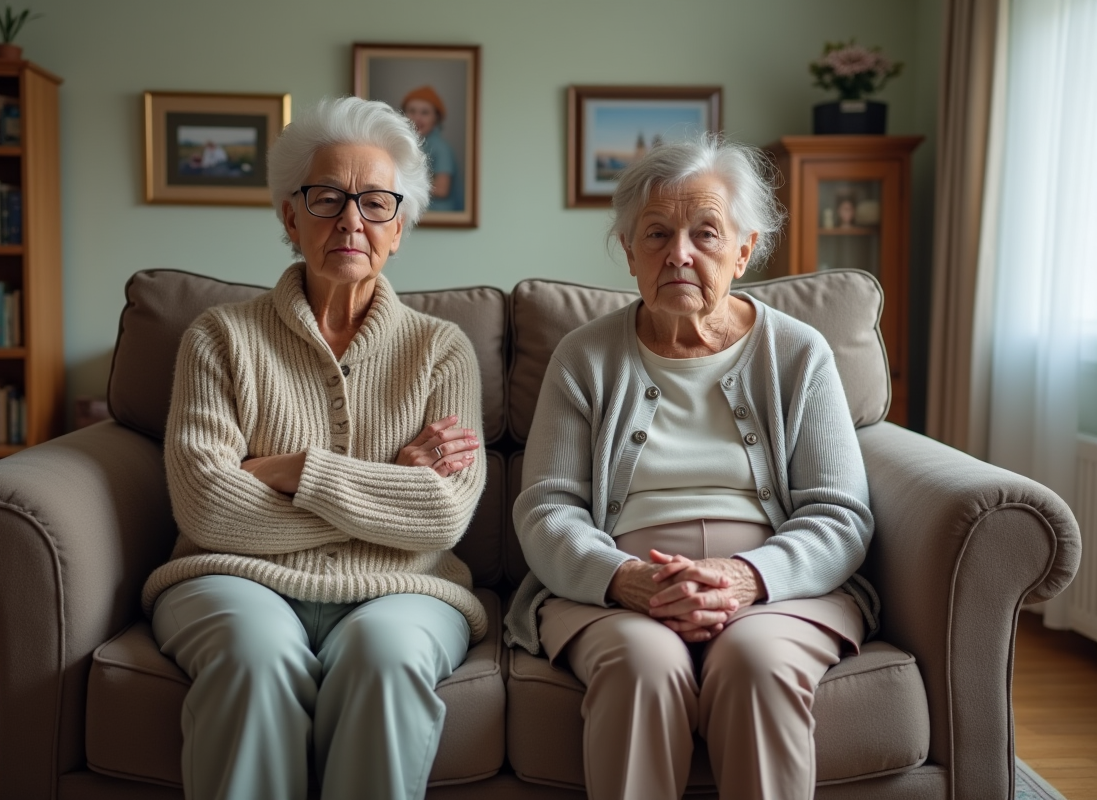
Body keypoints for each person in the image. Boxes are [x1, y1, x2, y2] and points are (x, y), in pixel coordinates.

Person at [505, 134, 878, 800]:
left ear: (743, 249)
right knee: (641, 667)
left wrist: (747, 577)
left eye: (705, 233)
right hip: (617, 594)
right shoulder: (583, 356)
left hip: (776, 593)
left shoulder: (798, 353)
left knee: (759, 664)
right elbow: (546, 507)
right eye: (656, 234)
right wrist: (626, 579)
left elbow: (840, 511)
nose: (679, 253)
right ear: (628, 251)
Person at [143, 96, 487, 800]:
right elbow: (208, 505)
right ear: (290, 216)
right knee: (252, 653)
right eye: (327, 197)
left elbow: (441, 516)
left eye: (376, 203)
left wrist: (291, 470)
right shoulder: (219, 337)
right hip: (234, 578)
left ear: (401, 228)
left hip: (406, 588)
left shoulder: (441, 349)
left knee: (385, 656)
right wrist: (385, 484)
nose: (351, 220)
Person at [401, 85, 463, 212]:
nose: (417, 118)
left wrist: (404, 184)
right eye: (412, 111)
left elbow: (442, 189)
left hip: (439, 218)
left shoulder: (440, 148)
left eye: (425, 113)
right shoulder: (411, 144)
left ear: (436, 118)